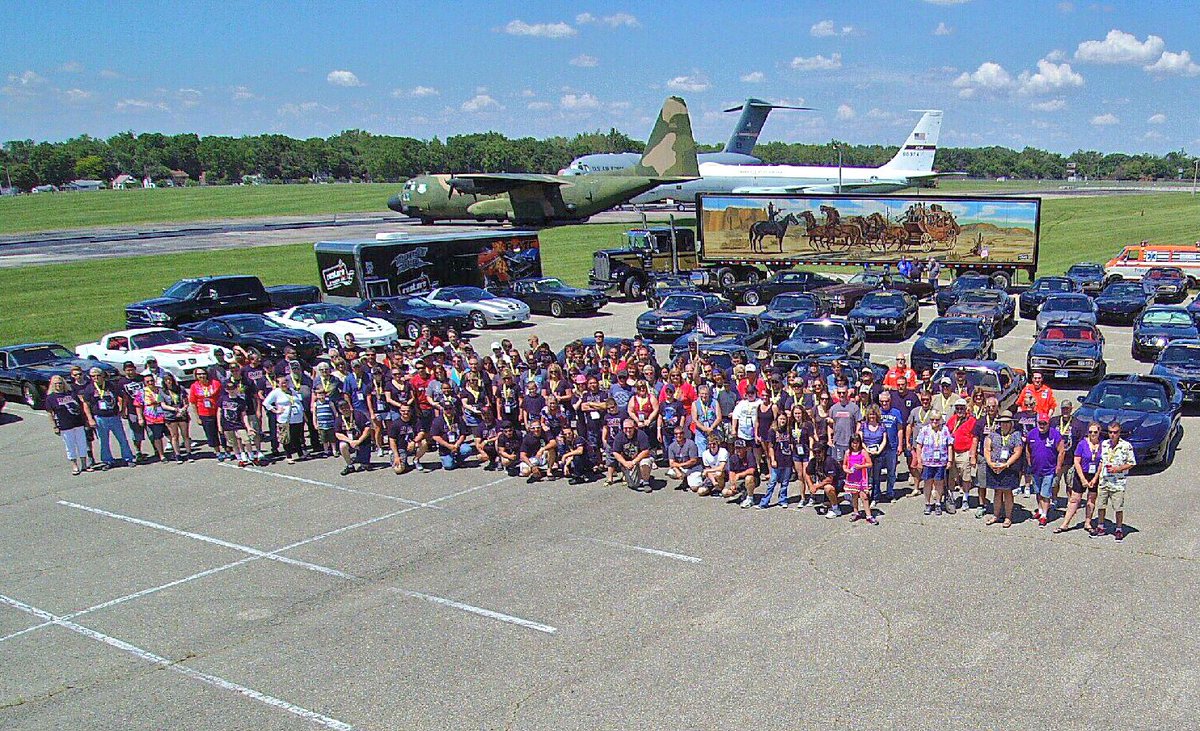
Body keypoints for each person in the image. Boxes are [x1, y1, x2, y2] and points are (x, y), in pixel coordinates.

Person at [81, 367, 135, 469]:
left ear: (103, 376)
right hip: (100, 418)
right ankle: (107, 460)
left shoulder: (111, 385)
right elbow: (86, 404)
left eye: (98, 375)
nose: (96, 378)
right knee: (103, 441)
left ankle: (128, 458)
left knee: (122, 438)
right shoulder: (89, 388)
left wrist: (123, 410)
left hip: (114, 416)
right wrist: (90, 418)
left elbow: (124, 396)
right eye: (93, 376)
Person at [1056, 421, 1102, 535]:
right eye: (1090, 432)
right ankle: (1065, 524)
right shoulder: (1082, 444)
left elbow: (1102, 462)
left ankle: (1088, 522)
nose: (1092, 434)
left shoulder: (1102, 445)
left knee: (1091, 499)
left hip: (1094, 475)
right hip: (1081, 473)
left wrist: (1095, 479)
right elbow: (1077, 461)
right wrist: (1082, 479)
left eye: (1095, 432)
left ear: (1099, 432)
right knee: (1074, 499)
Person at [1096, 422, 1136, 541]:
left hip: (1118, 482)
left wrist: (1118, 469)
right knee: (1101, 505)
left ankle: (1118, 529)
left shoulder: (1126, 446)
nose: (1112, 435)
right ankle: (1101, 526)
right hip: (1104, 480)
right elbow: (1101, 461)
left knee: (1118, 507)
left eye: (1115, 432)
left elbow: (1132, 463)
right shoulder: (1104, 444)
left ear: (1119, 433)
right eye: (1110, 432)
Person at [43, 375, 89, 475]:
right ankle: (74, 465)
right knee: (70, 445)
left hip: (78, 422)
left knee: (82, 443)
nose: (58, 385)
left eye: (60, 383)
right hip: (65, 425)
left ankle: (84, 464)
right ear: (52, 385)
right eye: (56, 384)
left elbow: (80, 407)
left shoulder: (71, 394)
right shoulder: (51, 398)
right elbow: (50, 413)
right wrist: (55, 426)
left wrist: (85, 420)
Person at [1025, 413, 1065, 527]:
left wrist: (1058, 466)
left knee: (1045, 493)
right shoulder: (1032, 434)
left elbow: (1061, 451)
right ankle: (1040, 510)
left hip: (1049, 469)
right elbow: (1027, 449)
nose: (1042, 425)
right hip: (1036, 469)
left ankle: (1044, 515)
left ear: (1049, 424)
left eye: (1044, 423)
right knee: (1038, 492)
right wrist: (1029, 462)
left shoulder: (1055, 435)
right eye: (1040, 423)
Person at [984, 414, 1024, 528]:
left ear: (1011, 423)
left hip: (1009, 467)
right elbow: (987, 449)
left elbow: (1018, 451)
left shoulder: (1016, 435)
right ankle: (996, 515)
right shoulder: (993, 434)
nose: (1004, 424)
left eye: (1007, 422)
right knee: (997, 491)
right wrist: (990, 463)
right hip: (994, 466)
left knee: (1007, 492)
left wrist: (1006, 464)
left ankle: (1008, 517)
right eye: (1002, 422)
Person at [914, 410, 952, 516]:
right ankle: (927, 503)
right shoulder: (924, 430)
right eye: (932, 419)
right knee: (927, 482)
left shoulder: (944, 430)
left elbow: (949, 445)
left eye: (937, 419)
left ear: (940, 420)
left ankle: (938, 503)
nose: (934, 421)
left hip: (941, 462)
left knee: (939, 482)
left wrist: (950, 460)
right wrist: (919, 460)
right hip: (927, 462)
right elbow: (919, 445)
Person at [263, 374, 306, 464]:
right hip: (285, 419)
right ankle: (289, 456)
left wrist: (303, 413)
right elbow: (266, 403)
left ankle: (300, 453)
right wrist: (275, 411)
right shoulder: (276, 392)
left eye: (286, 382)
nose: (284, 384)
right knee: (287, 438)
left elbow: (298, 401)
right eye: (282, 383)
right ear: (278, 384)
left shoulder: (292, 391)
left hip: (297, 418)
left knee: (297, 437)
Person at [759, 412, 795, 509]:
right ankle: (765, 501)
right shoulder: (772, 431)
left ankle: (782, 500)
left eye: (784, 419)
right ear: (777, 420)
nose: (782, 421)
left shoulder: (788, 431)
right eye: (780, 419)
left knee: (785, 482)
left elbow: (791, 444)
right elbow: (770, 447)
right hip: (777, 460)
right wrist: (773, 460)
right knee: (772, 482)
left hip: (787, 460)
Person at [946, 401, 977, 513]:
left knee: (966, 476)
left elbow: (974, 438)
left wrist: (972, 455)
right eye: (957, 408)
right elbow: (946, 432)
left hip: (965, 451)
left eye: (961, 408)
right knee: (952, 476)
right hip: (952, 451)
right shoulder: (952, 420)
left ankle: (965, 498)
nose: (959, 411)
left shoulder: (971, 421)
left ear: (966, 409)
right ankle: (951, 498)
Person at [218, 377, 254, 467]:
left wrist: (248, 427)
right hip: (226, 424)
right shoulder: (223, 399)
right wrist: (219, 426)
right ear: (226, 390)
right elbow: (219, 412)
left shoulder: (240, 401)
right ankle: (239, 457)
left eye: (233, 388)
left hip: (238, 424)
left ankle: (251, 456)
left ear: (236, 388)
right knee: (233, 442)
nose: (231, 390)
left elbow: (244, 415)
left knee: (246, 439)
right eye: (229, 389)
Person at [188, 367, 223, 457]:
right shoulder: (194, 386)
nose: (201, 376)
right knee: (211, 433)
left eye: (203, 373)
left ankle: (227, 449)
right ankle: (218, 452)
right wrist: (197, 417)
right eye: (199, 374)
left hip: (218, 412)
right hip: (204, 414)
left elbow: (222, 397)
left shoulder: (215, 383)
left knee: (223, 432)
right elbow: (193, 403)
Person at [430, 402, 474, 471]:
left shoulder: (459, 419)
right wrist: (448, 446)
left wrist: (457, 444)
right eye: (446, 409)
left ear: (453, 409)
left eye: (450, 408)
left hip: (457, 445)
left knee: (467, 449)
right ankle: (449, 459)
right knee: (449, 466)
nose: (448, 411)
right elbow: (435, 436)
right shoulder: (438, 420)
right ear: (443, 410)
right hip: (445, 447)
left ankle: (458, 459)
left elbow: (463, 434)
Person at [135, 373, 168, 463]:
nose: (150, 383)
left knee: (171, 434)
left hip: (164, 415)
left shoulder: (160, 390)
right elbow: (138, 406)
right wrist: (140, 418)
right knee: (157, 437)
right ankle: (161, 455)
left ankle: (177, 452)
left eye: (151, 380)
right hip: (151, 417)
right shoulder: (142, 392)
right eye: (148, 381)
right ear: (145, 383)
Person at [611, 419, 652, 491]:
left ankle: (646, 482)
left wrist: (634, 462)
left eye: (630, 428)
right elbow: (615, 452)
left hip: (639, 459)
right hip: (627, 462)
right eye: (625, 428)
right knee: (633, 485)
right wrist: (625, 463)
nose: (628, 430)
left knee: (646, 462)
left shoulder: (641, 434)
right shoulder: (619, 436)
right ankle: (634, 476)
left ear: (634, 427)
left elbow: (646, 451)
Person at [843, 433, 876, 523]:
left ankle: (869, 515)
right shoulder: (847, 453)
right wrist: (846, 470)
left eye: (857, 443)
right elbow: (844, 464)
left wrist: (860, 466)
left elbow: (870, 464)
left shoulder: (863, 452)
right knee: (854, 495)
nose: (855, 445)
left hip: (861, 477)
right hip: (852, 477)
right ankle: (856, 512)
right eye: (853, 443)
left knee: (864, 496)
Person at [159, 373, 192, 463]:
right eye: (166, 380)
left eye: (170, 379)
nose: (168, 382)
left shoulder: (180, 389)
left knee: (185, 435)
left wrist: (182, 409)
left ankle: (189, 453)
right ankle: (178, 455)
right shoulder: (162, 391)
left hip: (182, 414)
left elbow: (186, 402)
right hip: (170, 416)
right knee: (174, 436)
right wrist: (174, 409)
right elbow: (163, 405)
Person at [334, 399, 373, 475]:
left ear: (349, 406)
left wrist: (359, 441)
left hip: (362, 440)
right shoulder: (339, 419)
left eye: (346, 407)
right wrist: (350, 441)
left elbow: (368, 428)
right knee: (342, 445)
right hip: (349, 441)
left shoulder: (358, 414)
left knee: (365, 466)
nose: (345, 409)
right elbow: (338, 434)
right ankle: (350, 465)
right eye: (342, 408)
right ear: (339, 410)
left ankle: (361, 459)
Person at [805, 442, 843, 517]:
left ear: (823, 451)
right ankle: (845, 497)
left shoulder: (829, 461)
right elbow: (807, 473)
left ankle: (835, 510)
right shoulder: (813, 461)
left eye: (819, 452)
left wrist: (816, 486)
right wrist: (811, 486)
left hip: (839, 481)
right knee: (826, 504)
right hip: (826, 482)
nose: (817, 454)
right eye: (814, 452)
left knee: (828, 488)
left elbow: (830, 479)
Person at [388, 403, 425, 475]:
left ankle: (416, 460)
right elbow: (392, 441)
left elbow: (421, 433)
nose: (406, 413)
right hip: (400, 448)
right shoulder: (395, 424)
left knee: (424, 443)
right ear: (399, 411)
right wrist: (396, 456)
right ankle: (402, 462)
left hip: (412, 445)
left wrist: (414, 441)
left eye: (408, 411)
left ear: (411, 411)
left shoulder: (416, 420)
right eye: (403, 411)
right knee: (398, 470)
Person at [828, 386, 862, 462]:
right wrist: (830, 439)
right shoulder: (833, 408)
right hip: (837, 442)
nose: (842, 395)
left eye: (844, 392)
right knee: (838, 465)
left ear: (847, 393)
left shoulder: (854, 407)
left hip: (850, 443)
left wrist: (856, 436)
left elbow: (859, 422)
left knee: (850, 464)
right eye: (839, 393)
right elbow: (830, 425)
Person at [666, 425, 700, 490]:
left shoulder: (691, 443)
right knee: (671, 472)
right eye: (676, 434)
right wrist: (677, 471)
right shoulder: (671, 446)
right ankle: (685, 478)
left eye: (681, 433)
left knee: (695, 488)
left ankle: (693, 479)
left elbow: (693, 460)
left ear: (684, 434)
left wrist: (679, 465)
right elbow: (671, 463)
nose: (679, 435)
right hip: (683, 468)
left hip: (693, 468)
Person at [726, 439, 759, 508]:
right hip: (740, 480)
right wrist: (732, 484)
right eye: (736, 448)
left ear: (745, 448)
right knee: (725, 492)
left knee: (748, 478)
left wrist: (739, 475)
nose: (738, 450)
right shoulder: (732, 458)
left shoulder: (749, 455)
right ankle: (742, 493)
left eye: (740, 448)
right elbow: (731, 472)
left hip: (753, 479)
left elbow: (752, 470)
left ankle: (750, 499)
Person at [311, 387, 339, 459]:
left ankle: (334, 450)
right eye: (319, 394)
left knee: (332, 438)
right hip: (321, 424)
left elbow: (335, 412)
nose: (321, 395)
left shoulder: (329, 402)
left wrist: (336, 420)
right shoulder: (315, 404)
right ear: (316, 395)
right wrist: (315, 423)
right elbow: (314, 415)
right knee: (324, 439)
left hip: (330, 423)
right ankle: (326, 451)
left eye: (322, 393)